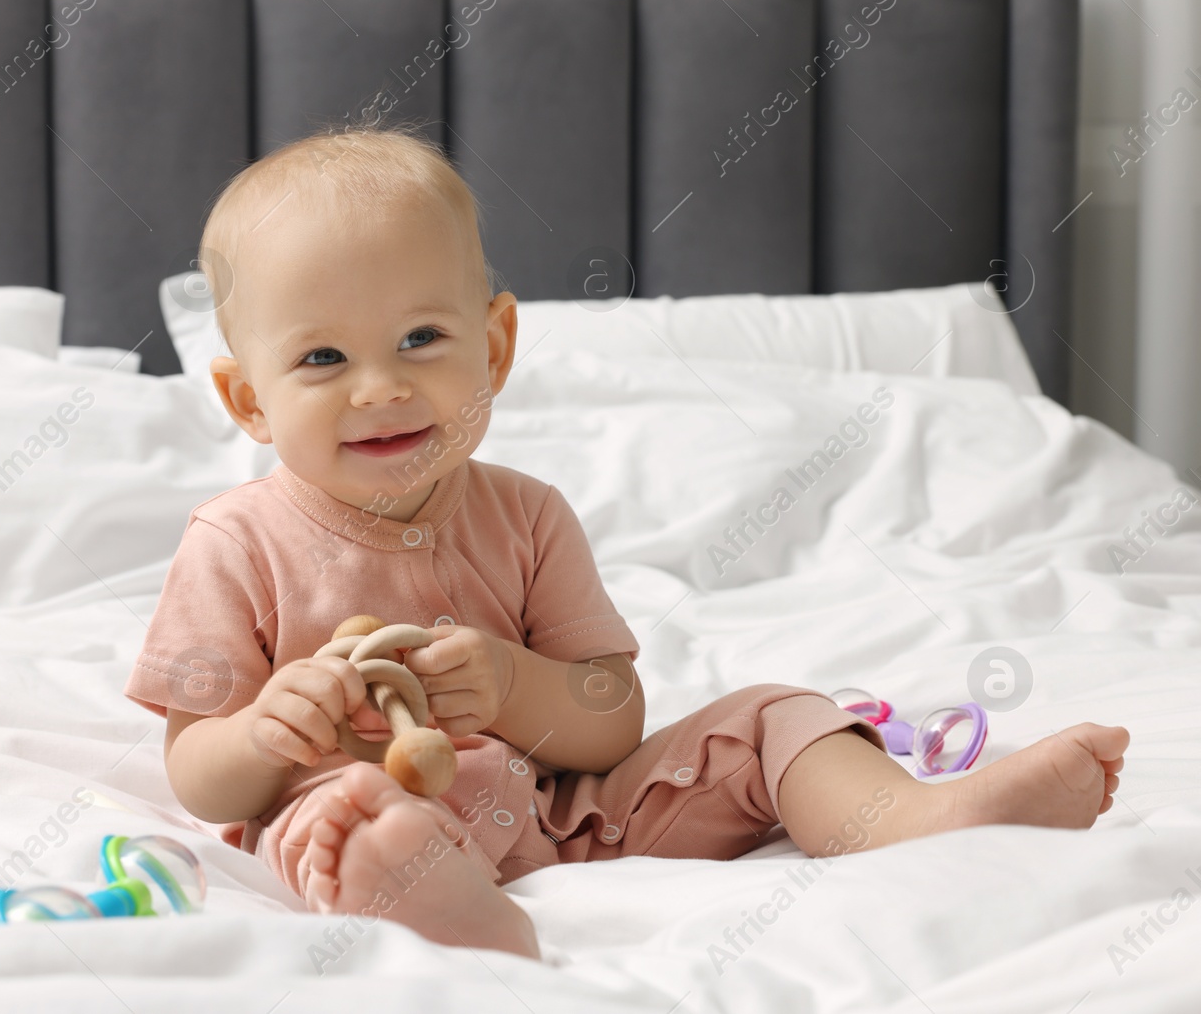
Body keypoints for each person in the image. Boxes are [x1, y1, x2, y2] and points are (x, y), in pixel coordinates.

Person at [123, 124, 1128, 961]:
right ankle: (451, 911)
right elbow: (196, 772)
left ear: (498, 346)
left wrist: (517, 686)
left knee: (772, 713)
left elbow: (610, 720)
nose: (379, 385)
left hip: (569, 818)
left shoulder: (527, 513)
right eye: (323, 356)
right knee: (343, 816)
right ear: (249, 400)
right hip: (365, 807)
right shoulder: (235, 542)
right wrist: (262, 732)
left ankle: (910, 820)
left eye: (421, 339)